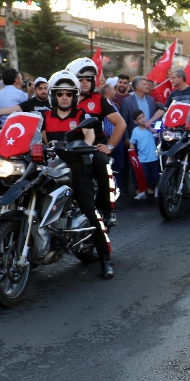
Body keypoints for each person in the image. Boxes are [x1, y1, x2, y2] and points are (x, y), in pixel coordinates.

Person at [40, 71, 113, 279]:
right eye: (60, 93)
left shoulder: (81, 116)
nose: (65, 97)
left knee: (90, 212)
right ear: (54, 95)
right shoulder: (44, 117)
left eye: (69, 93)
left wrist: (83, 146)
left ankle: (106, 258)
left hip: (76, 168)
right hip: (51, 169)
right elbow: (37, 138)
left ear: (74, 96)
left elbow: (89, 136)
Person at [67, 58, 126, 227]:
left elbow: (121, 124)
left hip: (93, 147)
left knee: (101, 163)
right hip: (67, 148)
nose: (85, 82)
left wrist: (109, 146)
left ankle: (108, 210)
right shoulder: (63, 97)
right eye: (81, 78)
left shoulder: (99, 99)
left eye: (89, 78)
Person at [129, 109, 159, 198]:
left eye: (143, 117)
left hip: (153, 156)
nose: (142, 119)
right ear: (135, 121)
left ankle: (157, 189)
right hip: (142, 158)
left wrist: (150, 128)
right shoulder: (135, 130)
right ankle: (142, 191)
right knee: (143, 176)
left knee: (155, 175)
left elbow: (158, 134)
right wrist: (131, 145)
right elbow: (132, 140)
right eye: (139, 118)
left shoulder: (150, 127)